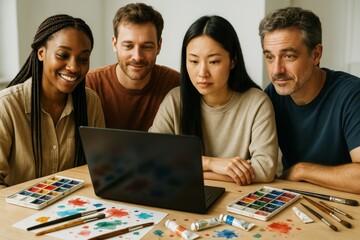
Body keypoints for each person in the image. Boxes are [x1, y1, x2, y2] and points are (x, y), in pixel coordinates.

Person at [149, 15, 278, 185]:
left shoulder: (257, 103)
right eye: (194, 61)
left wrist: (185, 169)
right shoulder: (175, 99)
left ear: (233, 60)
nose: (202, 72)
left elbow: (264, 169)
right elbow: (151, 156)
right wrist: (212, 163)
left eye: (214, 61)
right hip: (189, 195)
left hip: (239, 200)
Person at [259, 7, 360, 193]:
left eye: (289, 56)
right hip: (296, 200)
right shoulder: (271, 96)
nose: (276, 70)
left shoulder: (353, 95)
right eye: (270, 57)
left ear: (316, 55)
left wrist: (301, 170)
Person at [0, 14, 105, 188]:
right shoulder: (7, 106)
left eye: (83, 59)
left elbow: (100, 169)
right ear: (41, 53)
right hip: (16, 212)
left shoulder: (90, 102)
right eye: (63, 55)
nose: (74, 67)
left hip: (73, 209)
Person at [86, 3, 180, 131]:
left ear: (159, 45)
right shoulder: (90, 84)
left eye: (146, 47)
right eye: (128, 46)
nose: (137, 57)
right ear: (115, 44)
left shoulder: (175, 84)